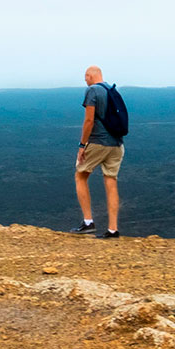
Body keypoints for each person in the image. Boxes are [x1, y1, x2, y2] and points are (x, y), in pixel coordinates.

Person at [68, 65, 123, 238]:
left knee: (81, 175)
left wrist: (82, 145)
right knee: (111, 181)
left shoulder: (92, 91)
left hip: (98, 142)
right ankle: (113, 229)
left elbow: (89, 120)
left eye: (85, 77)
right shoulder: (112, 90)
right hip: (117, 144)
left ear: (90, 76)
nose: (85, 80)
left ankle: (88, 222)